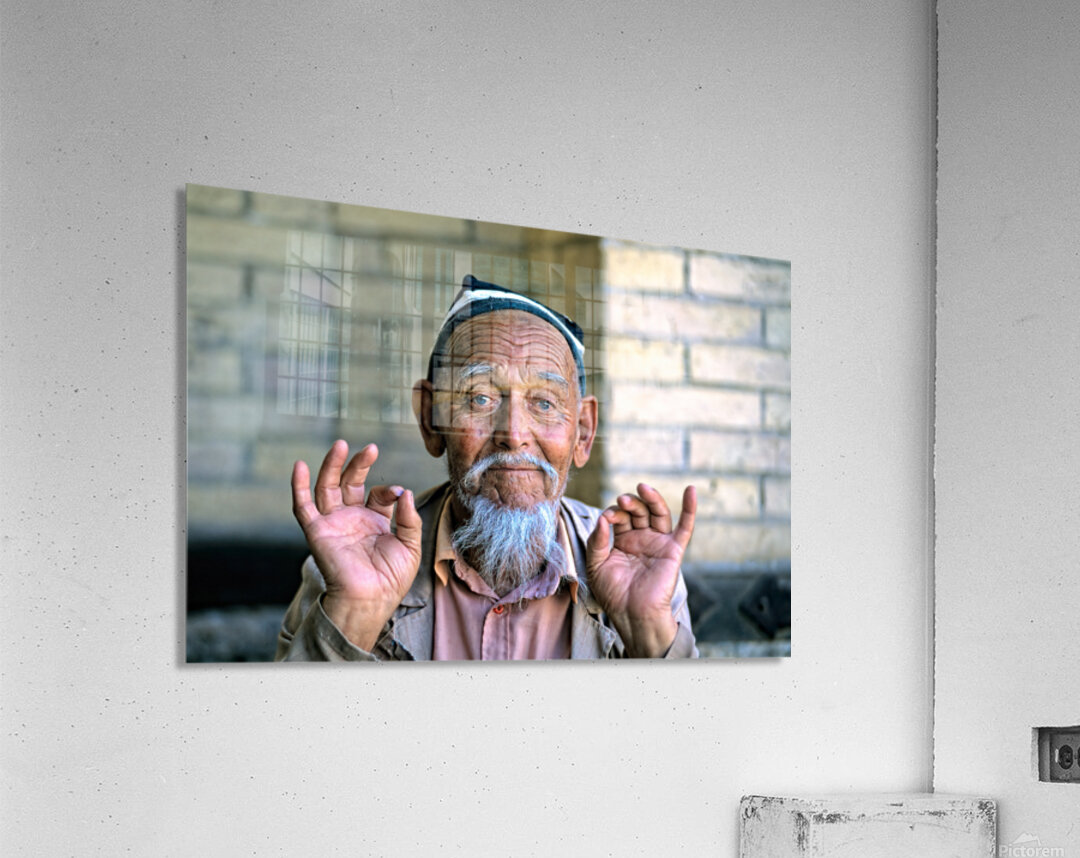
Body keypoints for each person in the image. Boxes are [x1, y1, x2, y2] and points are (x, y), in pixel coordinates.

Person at [276, 275, 698, 661]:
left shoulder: (636, 567)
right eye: (479, 398)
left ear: (583, 432)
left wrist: (648, 629)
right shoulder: (356, 562)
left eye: (544, 403)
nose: (513, 435)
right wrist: (356, 611)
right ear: (431, 419)